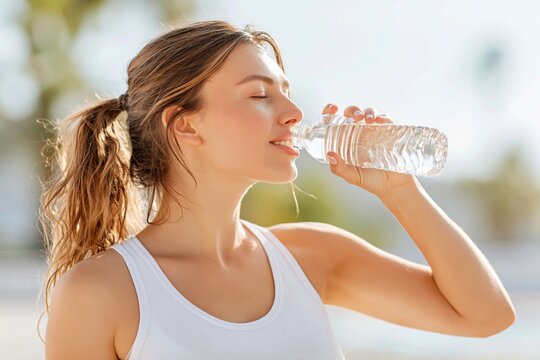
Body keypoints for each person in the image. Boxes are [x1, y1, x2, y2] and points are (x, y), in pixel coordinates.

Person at [39, 20, 515, 359]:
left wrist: (399, 190)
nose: (292, 111)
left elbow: (486, 316)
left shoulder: (311, 257)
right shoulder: (101, 291)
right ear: (184, 126)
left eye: (285, 91)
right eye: (260, 94)